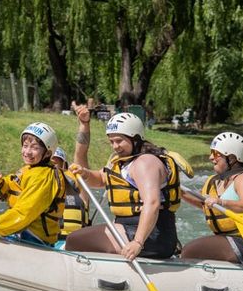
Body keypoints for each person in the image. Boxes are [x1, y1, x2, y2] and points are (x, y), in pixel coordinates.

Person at [64, 104, 189, 261]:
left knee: (74, 240)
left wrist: (138, 242)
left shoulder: (145, 163)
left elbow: (152, 203)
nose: (115, 146)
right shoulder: (123, 162)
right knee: (77, 239)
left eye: (119, 141)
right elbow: (101, 179)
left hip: (151, 236)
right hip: (131, 230)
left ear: (135, 138)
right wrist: (85, 173)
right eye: (111, 141)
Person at [180, 132, 243, 266]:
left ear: (232, 158)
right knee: (184, 250)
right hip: (234, 240)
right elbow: (203, 203)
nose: (211, 157)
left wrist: (221, 201)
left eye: (216, 154)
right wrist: (177, 190)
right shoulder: (217, 181)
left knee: (189, 251)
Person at [0, 122, 65, 246]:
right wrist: (0, 183)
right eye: (25, 146)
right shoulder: (29, 169)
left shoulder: (43, 177)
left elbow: (24, 213)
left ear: (48, 153)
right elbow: (12, 187)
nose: (27, 152)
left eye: (34, 148)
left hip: (35, 239)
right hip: (21, 230)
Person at [51, 147, 94, 239]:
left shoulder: (78, 186)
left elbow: (81, 155)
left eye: (56, 164)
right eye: (49, 164)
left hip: (78, 240)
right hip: (53, 239)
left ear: (64, 166)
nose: (53, 168)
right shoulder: (39, 185)